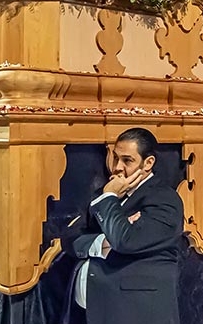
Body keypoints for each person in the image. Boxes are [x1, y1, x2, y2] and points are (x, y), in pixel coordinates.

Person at [64, 127, 184, 324]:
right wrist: (103, 242)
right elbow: (70, 239)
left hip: (135, 313)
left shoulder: (164, 199)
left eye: (127, 160)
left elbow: (125, 241)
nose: (117, 167)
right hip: (93, 310)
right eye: (115, 158)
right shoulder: (104, 195)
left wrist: (109, 200)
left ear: (148, 163)